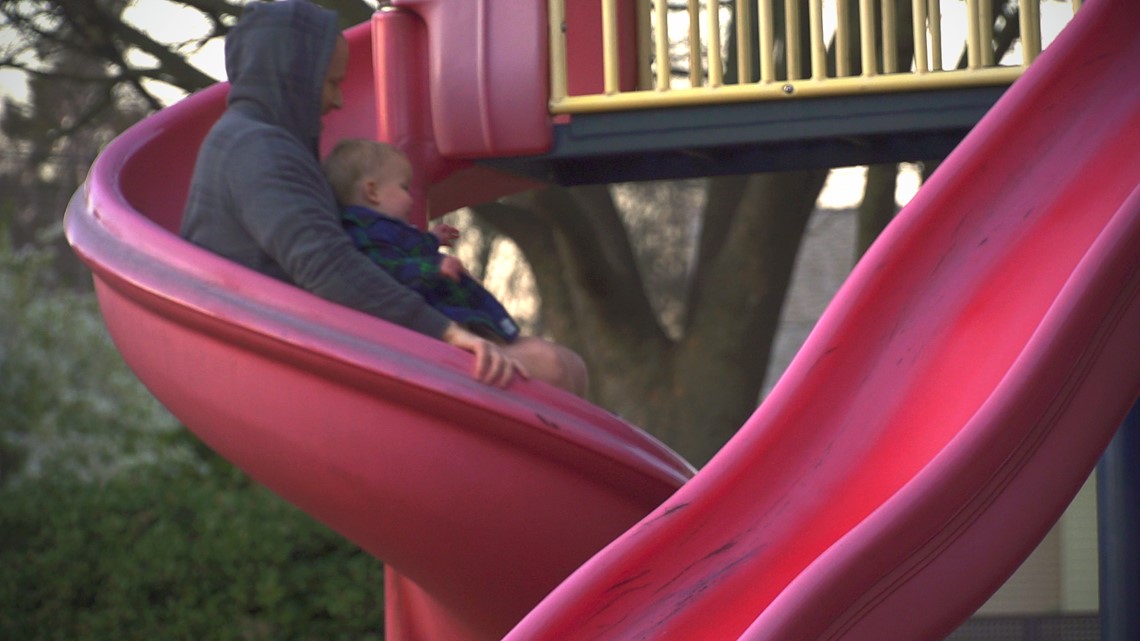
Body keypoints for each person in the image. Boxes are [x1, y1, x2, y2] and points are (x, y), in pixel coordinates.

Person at [180, 0, 586, 395]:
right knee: (550, 368)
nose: (338, 100)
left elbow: (341, 250)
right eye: (333, 82)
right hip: (287, 355)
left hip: (304, 337)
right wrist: (443, 331)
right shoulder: (258, 150)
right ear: (295, 76)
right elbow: (327, 267)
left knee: (557, 363)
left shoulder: (256, 141)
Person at [323, 139, 520, 344]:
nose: (411, 198)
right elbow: (386, 268)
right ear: (372, 192)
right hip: (429, 317)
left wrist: (433, 239)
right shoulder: (365, 232)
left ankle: (495, 334)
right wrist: (433, 268)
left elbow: (408, 246)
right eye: (404, 187)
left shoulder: (385, 228)